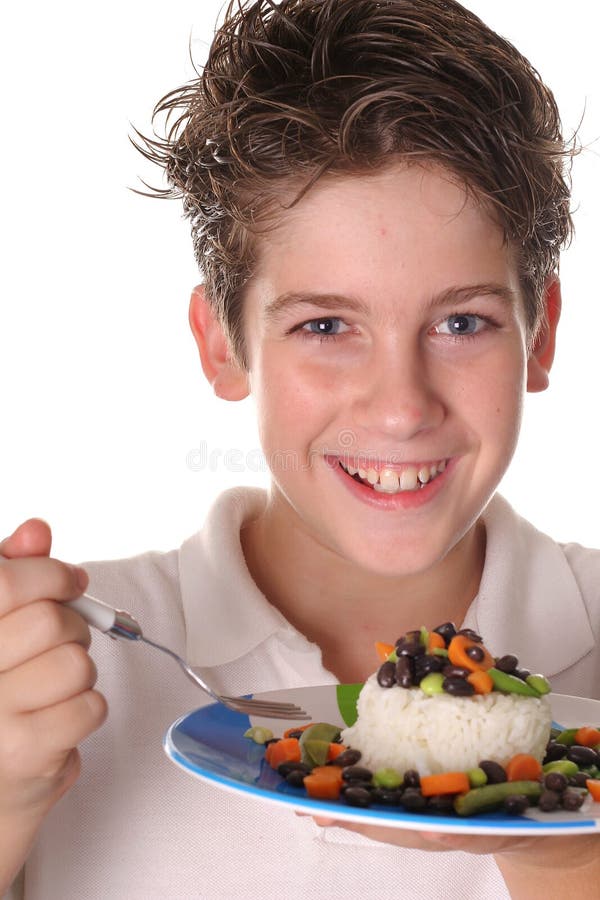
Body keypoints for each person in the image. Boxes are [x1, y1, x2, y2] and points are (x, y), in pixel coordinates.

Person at [2, 1, 599, 897]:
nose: (400, 408)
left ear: (540, 336)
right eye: (325, 325)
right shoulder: (60, 677)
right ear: (222, 344)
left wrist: (570, 855)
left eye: (462, 322)